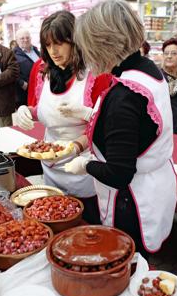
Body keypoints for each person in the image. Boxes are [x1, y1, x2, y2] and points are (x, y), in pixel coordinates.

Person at [65, 0, 177, 257]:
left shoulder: (124, 96)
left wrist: (85, 165)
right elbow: (139, 126)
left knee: (130, 262)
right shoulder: (147, 70)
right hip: (157, 184)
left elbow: (118, 173)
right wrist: (91, 114)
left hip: (133, 201)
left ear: (102, 44)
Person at [13, 11, 110, 223]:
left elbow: (103, 124)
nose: (53, 51)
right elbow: (42, 109)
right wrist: (26, 111)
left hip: (83, 166)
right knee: (55, 216)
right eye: (47, 45)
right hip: (50, 164)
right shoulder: (41, 69)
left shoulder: (96, 73)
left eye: (59, 43)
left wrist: (75, 147)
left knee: (85, 222)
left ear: (75, 42)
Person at [13, 28, 40, 107]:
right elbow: (11, 72)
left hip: (39, 87)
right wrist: (21, 83)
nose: (25, 40)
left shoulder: (36, 51)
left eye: (27, 37)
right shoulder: (13, 55)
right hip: (25, 92)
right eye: (22, 38)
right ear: (17, 41)